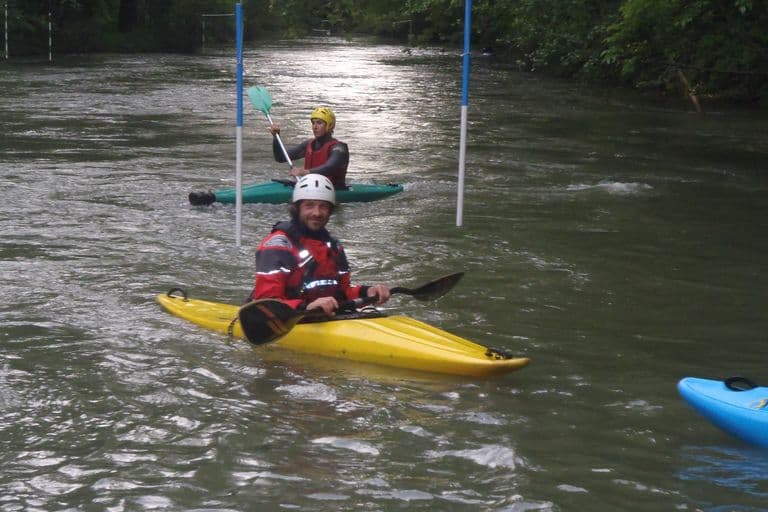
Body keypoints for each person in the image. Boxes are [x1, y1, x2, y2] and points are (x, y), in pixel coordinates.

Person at [250, 174, 390, 316]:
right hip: (289, 319)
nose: (317, 213)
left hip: (323, 317)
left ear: (330, 211)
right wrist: (307, 307)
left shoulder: (334, 247)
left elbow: (343, 292)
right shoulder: (277, 246)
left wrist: (368, 292)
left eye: (323, 206)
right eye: (309, 205)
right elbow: (265, 304)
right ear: (297, 208)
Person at [269, 107, 349, 189]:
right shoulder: (309, 144)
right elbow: (280, 157)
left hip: (333, 189)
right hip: (310, 188)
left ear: (330, 125)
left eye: (319, 123)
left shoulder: (339, 148)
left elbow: (329, 168)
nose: (315, 127)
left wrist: (303, 172)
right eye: (313, 123)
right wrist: (276, 137)